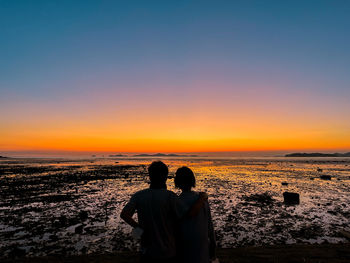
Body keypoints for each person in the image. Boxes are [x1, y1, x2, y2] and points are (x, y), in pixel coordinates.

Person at [120, 161, 208, 263]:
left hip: (147, 251)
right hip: (168, 251)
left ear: (150, 176)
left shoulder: (139, 195)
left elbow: (124, 214)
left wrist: (139, 227)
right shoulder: (170, 197)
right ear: (165, 177)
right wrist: (202, 198)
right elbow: (190, 214)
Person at [175, 166, 216, 263]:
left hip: (185, 246)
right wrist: (213, 244)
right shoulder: (202, 199)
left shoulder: (177, 201)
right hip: (202, 245)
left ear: (178, 182)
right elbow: (209, 224)